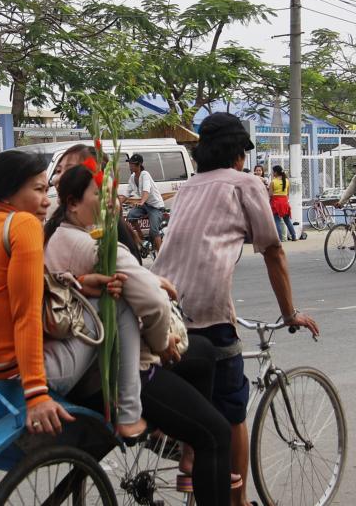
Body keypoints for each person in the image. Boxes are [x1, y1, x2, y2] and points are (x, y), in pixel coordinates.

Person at [152, 112, 319, 506]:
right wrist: (289, 313)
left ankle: (185, 453)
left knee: (192, 395)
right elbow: (273, 251)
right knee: (231, 412)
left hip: (160, 306)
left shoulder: (189, 187)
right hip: (207, 314)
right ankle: (238, 501)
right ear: (239, 154)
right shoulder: (246, 183)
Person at [46, 165, 234, 505]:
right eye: (101, 197)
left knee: (203, 353)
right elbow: (152, 303)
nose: (112, 204)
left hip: (83, 364)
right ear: (73, 203)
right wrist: (164, 346)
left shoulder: (53, 238)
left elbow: (141, 285)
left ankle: (183, 446)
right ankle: (194, 449)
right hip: (116, 374)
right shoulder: (98, 246)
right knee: (217, 434)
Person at [0, 151, 119, 436]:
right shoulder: (23, 225)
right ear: (8, 192)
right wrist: (36, 394)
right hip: (4, 375)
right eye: (39, 190)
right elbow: (27, 313)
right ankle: (128, 407)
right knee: (113, 304)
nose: (47, 200)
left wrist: (79, 280)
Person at [53, 144, 143, 263]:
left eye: (70, 170)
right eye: (58, 170)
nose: (56, 179)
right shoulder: (54, 228)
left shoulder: (113, 243)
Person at [125, 153, 166, 253]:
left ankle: (161, 257)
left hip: (155, 207)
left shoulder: (145, 175)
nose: (130, 165)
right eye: (129, 163)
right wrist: (116, 202)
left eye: (132, 164)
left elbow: (146, 191)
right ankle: (142, 239)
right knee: (130, 216)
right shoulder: (132, 177)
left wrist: (141, 201)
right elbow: (126, 194)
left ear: (139, 165)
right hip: (145, 205)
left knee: (154, 231)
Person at [269, 165, 297, 242]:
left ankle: (280, 238)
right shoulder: (287, 181)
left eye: (273, 171)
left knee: (277, 221)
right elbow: (287, 192)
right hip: (284, 202)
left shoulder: (273, 182)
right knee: (287, 220)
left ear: (276, 172)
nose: (272, 173)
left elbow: (270, 194)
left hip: (276, 202)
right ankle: (294, 236)